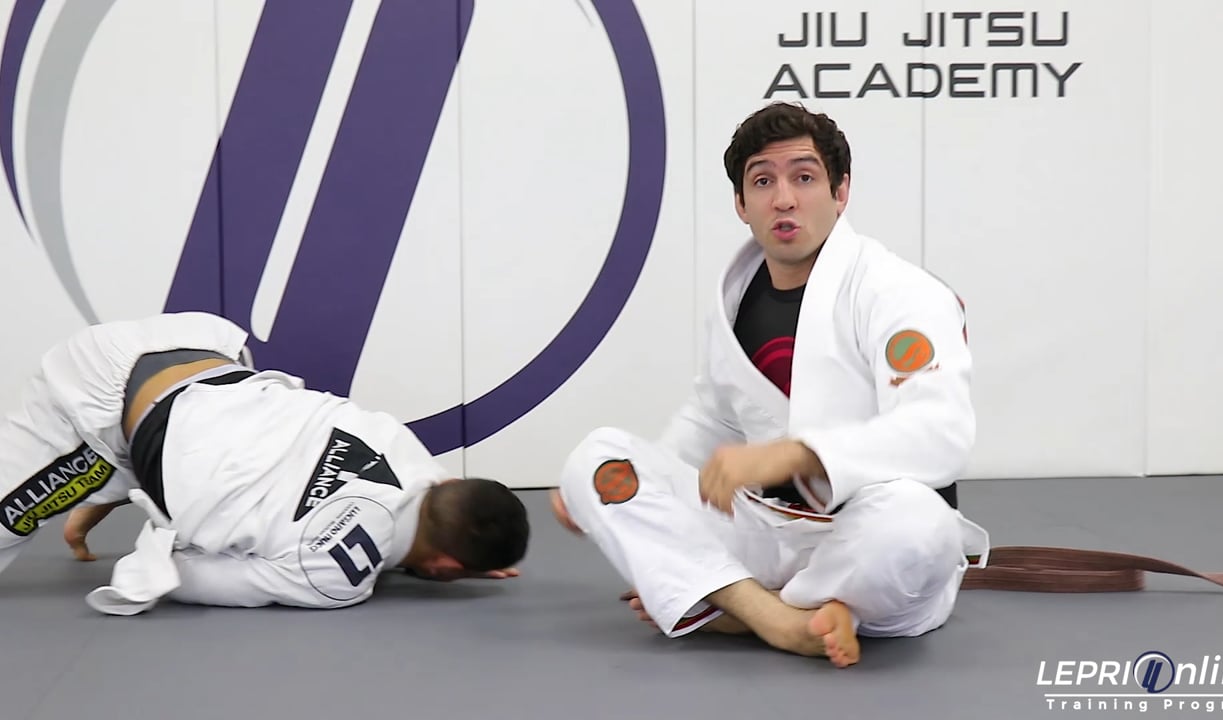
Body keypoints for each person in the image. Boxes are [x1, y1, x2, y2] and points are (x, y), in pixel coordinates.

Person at [548, 101, 991, 668]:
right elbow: (713, 417)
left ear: (841, 191)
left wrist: (798, 456)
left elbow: (940, 431)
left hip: (866, 536)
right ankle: (780, 618)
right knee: (597, 461)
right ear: (741, 203)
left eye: (804, 178)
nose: (783, 199)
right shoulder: (736, 296)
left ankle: (733, 606)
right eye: (763, 182)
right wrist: (639, 495)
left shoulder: (900, 292)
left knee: (920, 526)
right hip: (768, 530)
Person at [0, 312, 529, 614]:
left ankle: (119, 477)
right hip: (101, 398)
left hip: (203, 348)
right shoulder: (332, 581)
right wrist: (448, 562)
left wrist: (463, 543)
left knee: (240, 445)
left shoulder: (406, 448)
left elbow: (440, 500)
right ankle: (111, 474)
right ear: (444, 567)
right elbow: (182, 578)